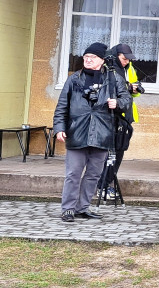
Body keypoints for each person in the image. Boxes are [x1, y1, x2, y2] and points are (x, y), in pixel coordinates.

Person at [53, 42, 131, 223]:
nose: (87, 60)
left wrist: (117, 103)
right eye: (85, 57)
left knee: (94, 174)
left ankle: (82, 208)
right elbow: (62, 106)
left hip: (102, 132)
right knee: (73, 173)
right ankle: (68, 209)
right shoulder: (74, 79)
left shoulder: (112, 79)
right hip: (77, 131)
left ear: (101, 60)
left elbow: (126, 98)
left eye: (92, 57)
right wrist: (59, 128)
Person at [108, 43, 141, 172]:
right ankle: (104, 183)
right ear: (116, 56)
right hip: (111, 116)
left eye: (128, 59)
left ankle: (110, 180)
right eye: (124, 59)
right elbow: (109, 90)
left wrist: (135, 88)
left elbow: (133, 93)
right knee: (109, 154)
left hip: (126, 115)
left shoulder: (129, 68)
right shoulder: (108, 67)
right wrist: (128, 87)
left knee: (120, 150)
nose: (126, 62)